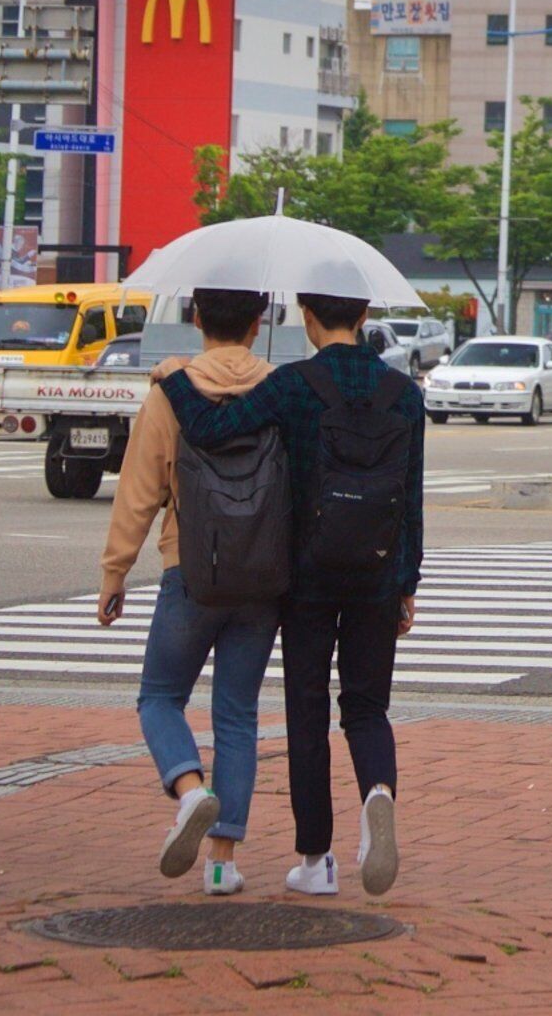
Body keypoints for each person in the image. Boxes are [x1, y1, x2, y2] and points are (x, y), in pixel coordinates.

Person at [161, 285, 426, 897]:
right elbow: (410, 496)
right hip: (378, 573)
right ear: (364, 316)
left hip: (305, 576)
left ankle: (316, 862)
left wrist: (174, 377)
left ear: (307, 317)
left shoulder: (292, 385)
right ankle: (378, 795)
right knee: (366, 707)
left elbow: (209, 427)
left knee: (307, 714)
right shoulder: (404, 396)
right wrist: (407, 582)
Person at [95, 287, 278, 895]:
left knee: (159, 696)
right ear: (258, 324)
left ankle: (189, 791)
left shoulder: (170, 392)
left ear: (196, 319)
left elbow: (138, 490)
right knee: (237, 715)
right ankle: (222, 864)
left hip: (190, 569)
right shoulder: (280, 390)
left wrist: (115, 571)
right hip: (261, 574)